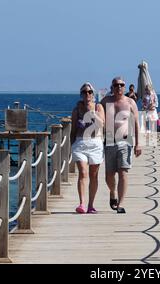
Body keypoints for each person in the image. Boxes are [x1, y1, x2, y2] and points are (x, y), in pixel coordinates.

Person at [101, 77, 142, 213]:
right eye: (116, 85)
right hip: (110, 140)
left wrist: (138, 144)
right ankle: (112, 192)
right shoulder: (106, 101)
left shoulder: (130, 102)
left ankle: (120, 204)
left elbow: (136, 123)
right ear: (112, 87)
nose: (119, 87)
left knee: (123, 172)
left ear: (124, 87)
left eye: (121, 85)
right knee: (109, 175)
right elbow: (98, 116)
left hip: (125, 140)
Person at [70, 82, 105, 214]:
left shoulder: (98, 107)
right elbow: (72, 130)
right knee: (83, 173)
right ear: (81, 94)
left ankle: (91, 204)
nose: (87, 94)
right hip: (80, 144)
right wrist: (72, 146)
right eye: (84, 92)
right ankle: (82, 204)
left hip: (95, 143)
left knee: (94, 175)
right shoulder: (76, 110)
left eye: (89, 92)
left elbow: (102, 124)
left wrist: (91, 112)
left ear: (93, 94)